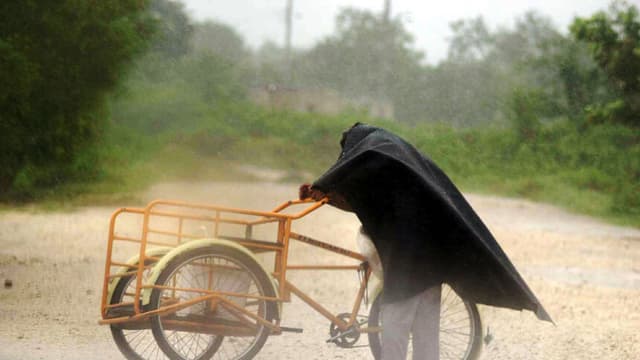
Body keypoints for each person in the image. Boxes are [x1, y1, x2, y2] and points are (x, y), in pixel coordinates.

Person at [300, 123, 552, 360]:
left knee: (395, 321)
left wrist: (322, 186)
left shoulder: (375, 154)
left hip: (409, 262)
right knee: (426, 330)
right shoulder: (395, 160)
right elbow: (363, 203)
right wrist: (323, 195)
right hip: (432, 262)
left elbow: (359, 198)